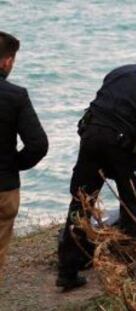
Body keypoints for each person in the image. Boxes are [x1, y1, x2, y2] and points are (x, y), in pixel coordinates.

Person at [56, 51, 136, 290]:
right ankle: (127, 268)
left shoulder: (120, 72)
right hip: (119, 146)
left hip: (90, 137)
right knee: (131, 203)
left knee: (81, 202)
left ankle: (68, 270)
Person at [0, 31, 48, 273]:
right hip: (3, 187)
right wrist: (11, 164)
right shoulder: (15, 96)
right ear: (6, 61)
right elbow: (38, 144)